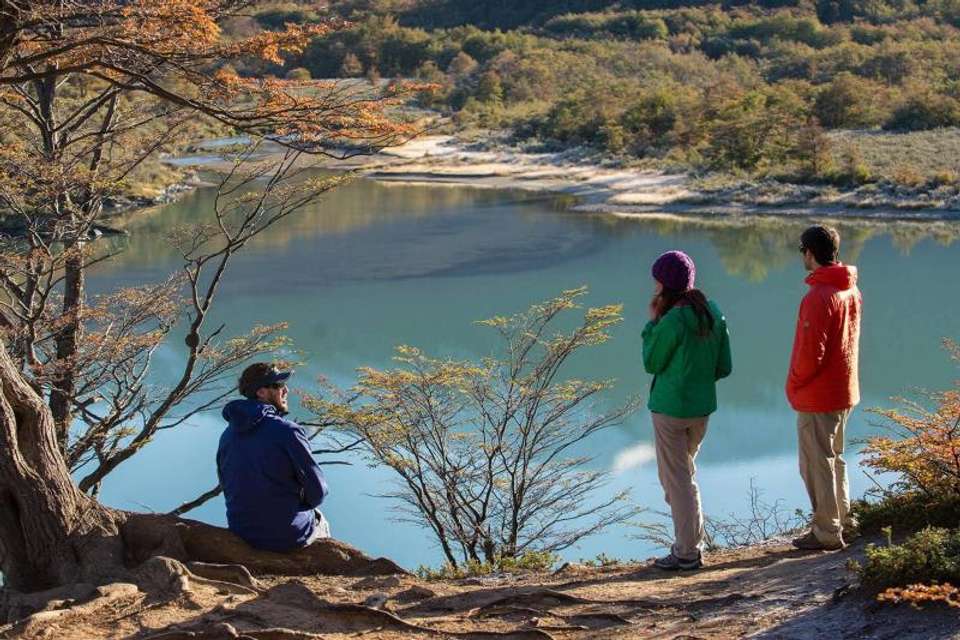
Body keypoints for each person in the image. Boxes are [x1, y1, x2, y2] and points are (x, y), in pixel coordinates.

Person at [642, 250, 732, 571]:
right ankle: (693, 542)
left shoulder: (672, 320)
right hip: (701, 409)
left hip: (669, 410)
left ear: (664, 284)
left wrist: (652, 324)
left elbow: (651, 362)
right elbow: (724, 366)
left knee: (676, 481)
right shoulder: (713, 312)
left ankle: (687, 552)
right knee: (685, 476)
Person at [788, 225, 862, 551]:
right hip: (845, 389)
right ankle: (844, 519)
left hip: (819, 395)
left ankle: (827, 531)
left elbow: (809, 354)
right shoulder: (850, 290)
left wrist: (794, 384)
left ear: (810, 252)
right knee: (835, 457)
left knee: (815, 462)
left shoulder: (819, 297)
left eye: (801, 250)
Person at [217, 362, 330, 552]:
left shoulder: (227, 435)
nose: (285, 390)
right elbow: (318, 492)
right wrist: (301, 503)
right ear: (261, 392)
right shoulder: (287, 431)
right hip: (285, 535)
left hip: (241, 531)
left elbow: (227, 485)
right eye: (278, 386)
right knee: (320, 520)